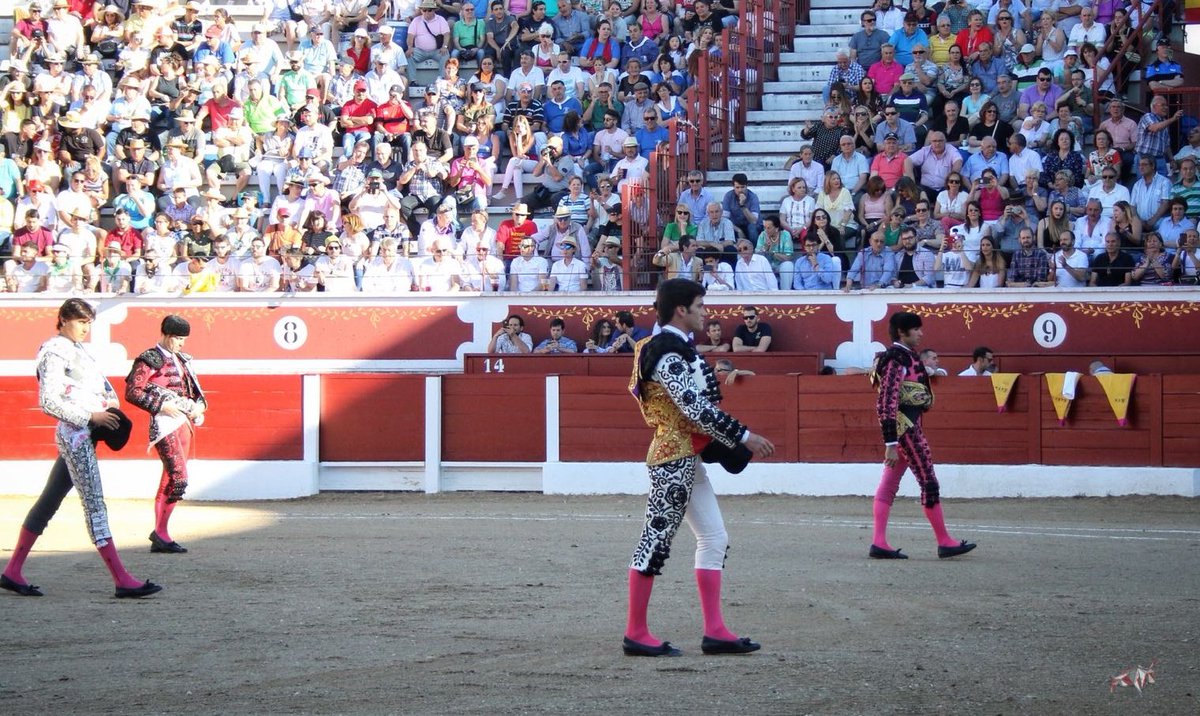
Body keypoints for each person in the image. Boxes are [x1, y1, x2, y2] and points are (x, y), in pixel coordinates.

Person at [623, 278, 775, 658]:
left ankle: (715, 631)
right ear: (681, 309)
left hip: (687, 455)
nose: (705, 312)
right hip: (672, 457)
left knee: (714, 537)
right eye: (700, 305)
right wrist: (743, 436)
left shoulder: (671, 349)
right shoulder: (667, 354)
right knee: (656, 539)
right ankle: (636, 632)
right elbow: (693, 408)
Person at [0, 299, 162, 599]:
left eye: (89, 322)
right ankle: (121, 579)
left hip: (83, 432)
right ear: (62, 320)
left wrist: (108, 404)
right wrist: (92, 416)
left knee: (49, 501)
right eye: (80, 321)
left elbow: (101, 388)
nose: (85, 328)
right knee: (94, 504)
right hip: (76, 435)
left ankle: (12, 571)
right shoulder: (53, 351)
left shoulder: (77, 350)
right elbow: (48, 401)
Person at [869, 311, 976, 560]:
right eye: (915, 329)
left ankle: (879, 542)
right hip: (906, 429)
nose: (921, 333)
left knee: (889, 484)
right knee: (928, 482)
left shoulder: (905, 357)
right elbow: (886, 402)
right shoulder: (896, 359)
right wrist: (891, 443)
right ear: (901, 332)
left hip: (906, 428)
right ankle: (944, 542)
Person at [124, 315, 206, 555]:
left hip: (184, 422)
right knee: (179, 476)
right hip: (164, 423)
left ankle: (161, 534)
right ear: (167, 335)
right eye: (178, 338)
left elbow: (197, 393)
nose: (181, 343)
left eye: (183, 339)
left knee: (170, 478)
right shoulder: (149, 358)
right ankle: (161, 533)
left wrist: (200, 406)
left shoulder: (184, 360)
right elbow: (133, 391)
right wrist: (160, 406)